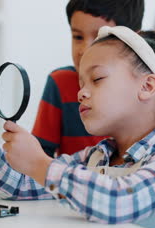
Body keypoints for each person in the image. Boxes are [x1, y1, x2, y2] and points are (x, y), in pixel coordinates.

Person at [0, 26, 155, 228]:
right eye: (81, 84)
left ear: (147, 86)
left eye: (97, 78)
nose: (81, 93)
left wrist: (41, 164)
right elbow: (16, 186)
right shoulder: (95, 157)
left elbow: (117, 203)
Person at [32, 0, 145, 157]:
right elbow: (38, 155)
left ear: (135, 40)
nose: (85, 50)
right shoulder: (59, 84)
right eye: (78, 37)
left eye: (101, 37)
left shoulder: (144, 90)